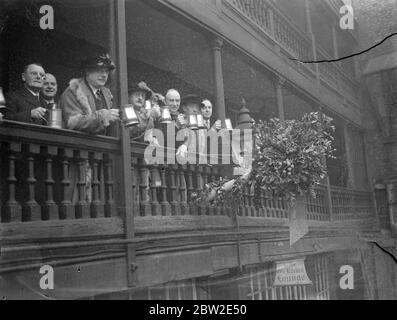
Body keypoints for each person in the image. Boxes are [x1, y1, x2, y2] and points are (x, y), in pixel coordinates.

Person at [60, 53, 119, 135]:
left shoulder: (107, 94)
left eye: (106, 71)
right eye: (99, 71)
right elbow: (72, 123)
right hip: (78, 144)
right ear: (87, 71)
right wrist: (101, 117)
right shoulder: (74, 90)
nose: (104, 75)